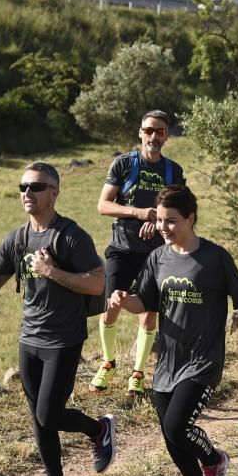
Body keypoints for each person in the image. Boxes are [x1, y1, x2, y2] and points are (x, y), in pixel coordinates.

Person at [0, 162, 114, 476]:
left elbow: (97, 284)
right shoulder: (17, 239)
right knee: (39, 415)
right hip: (30, 338)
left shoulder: (70, 236)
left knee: (49, 414)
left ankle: (99, 430)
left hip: (63, 339)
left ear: (54, 192)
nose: (27, 193)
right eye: (23, 187)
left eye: (36, 186)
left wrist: (53, 273)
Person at [111, 185, 238, 476]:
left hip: (203, 359)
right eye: (161, 220)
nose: (163, 228)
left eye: (171, 221)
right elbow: (145, 302)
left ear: (190, 218)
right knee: (169, 435)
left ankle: (214, 461)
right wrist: (123, 300)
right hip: (168, 359)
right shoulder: (157, 258)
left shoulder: (215, 257)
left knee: (177, 428)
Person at [92, 110, 185, 396]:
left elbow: (180, 213)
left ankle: (138, 373)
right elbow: (103, 205)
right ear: (140, 132)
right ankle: (108, 362)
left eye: (159, 132)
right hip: (122, 248)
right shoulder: (124, 164)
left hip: (157, 253)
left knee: (149, 312)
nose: (153, 137)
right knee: (111, 306)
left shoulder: (173, 171)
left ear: (166, 136)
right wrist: (137, 213)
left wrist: (157, 223)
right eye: (148, 130)